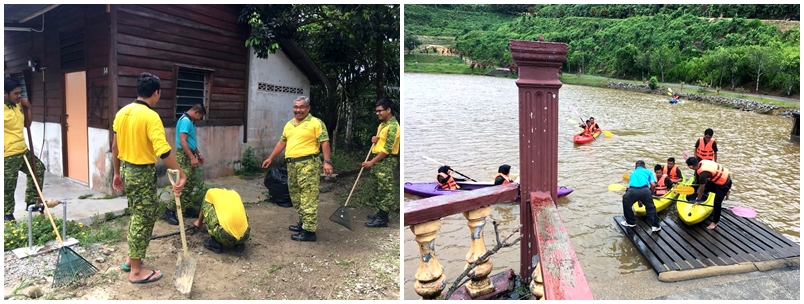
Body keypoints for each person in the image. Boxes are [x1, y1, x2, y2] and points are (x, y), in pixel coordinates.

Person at [112, 72, 186, 284]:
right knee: (143, 218)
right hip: (141, 173)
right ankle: (136, 271)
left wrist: (117, 173)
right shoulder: (150, 116)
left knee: (137, 214)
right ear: (156, 93)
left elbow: (115, 146)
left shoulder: (122, 113)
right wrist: (181, 172)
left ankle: (130, 259)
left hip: (126, 168)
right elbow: (163, 150)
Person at [260, 96, 333, 242]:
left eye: (301, 107)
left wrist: (327, 162)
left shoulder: (315, 123)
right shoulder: (289, 124)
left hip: (308, 164)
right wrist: (271, 157)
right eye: (295, 107)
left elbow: (324, 142)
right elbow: (282, 142)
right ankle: (303, 222)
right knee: (296, 195)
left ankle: (309, 231)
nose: (298, 110)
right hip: (292, 165)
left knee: (308, 196)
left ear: (308, 108)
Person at [4, 77, 46, 222]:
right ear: (4, 93)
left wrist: (29, 107)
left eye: (20, 92)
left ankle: (31, 202)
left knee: (38, 169)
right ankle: (7, 214)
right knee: (8, 185)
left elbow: (27, 124)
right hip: (7, 154)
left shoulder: (18, 105)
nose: (19, 96)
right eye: (15, 93)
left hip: (22, 150)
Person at [164, 104, 206, 225]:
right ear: (196, 112)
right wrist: (192, 157)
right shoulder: (186, 121)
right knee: (183, 183)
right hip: (184, 156)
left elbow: (190, 141)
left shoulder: (189, 121)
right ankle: (169, 210)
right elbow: (183, 141)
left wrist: (198, 154)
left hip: (189, 153)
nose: (199, 119)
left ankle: (186, 207)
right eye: (200, 116)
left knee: (190, 182)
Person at [362, 98, 399, 228]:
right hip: (378, 159)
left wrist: (371, 162)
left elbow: (387, 149)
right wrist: (374, 140)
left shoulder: (393, 127)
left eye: (380, 111)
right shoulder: (383, 125)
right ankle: (380, 213)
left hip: (386, 161)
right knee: (377, 188)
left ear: (388, 110)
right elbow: (380, 142)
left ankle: (382, 218)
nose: (378, 113)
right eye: (376, 111)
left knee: (385, 189)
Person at [193, 188, 249, 254]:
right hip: (245, 235)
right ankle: (239, 245)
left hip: (225, 236)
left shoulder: (209, 192)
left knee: (206, 206)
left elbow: (204, 208)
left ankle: (216, 244)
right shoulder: (235, 194)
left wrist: (199, 222)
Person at [685, 158, 732, 230]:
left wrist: (697, 200)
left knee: (717, 203)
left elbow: (701, 189)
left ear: (691, 167)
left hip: (724, 184)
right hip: (719, 179)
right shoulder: (702, 162)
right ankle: (726, 191)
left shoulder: (703, 174)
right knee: (707, 188)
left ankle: (715, 222)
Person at [620, 160, 661, 232]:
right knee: (650, 208)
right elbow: (653, 185)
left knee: (626, 203)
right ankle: (655, 226)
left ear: (636, 167)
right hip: (645, 190)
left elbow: (633, 188)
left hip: (632, 190)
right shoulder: (648, 172)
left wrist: (639, 200)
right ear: (644, 166)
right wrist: (651, 194)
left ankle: (630, 222)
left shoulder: (632, 173)